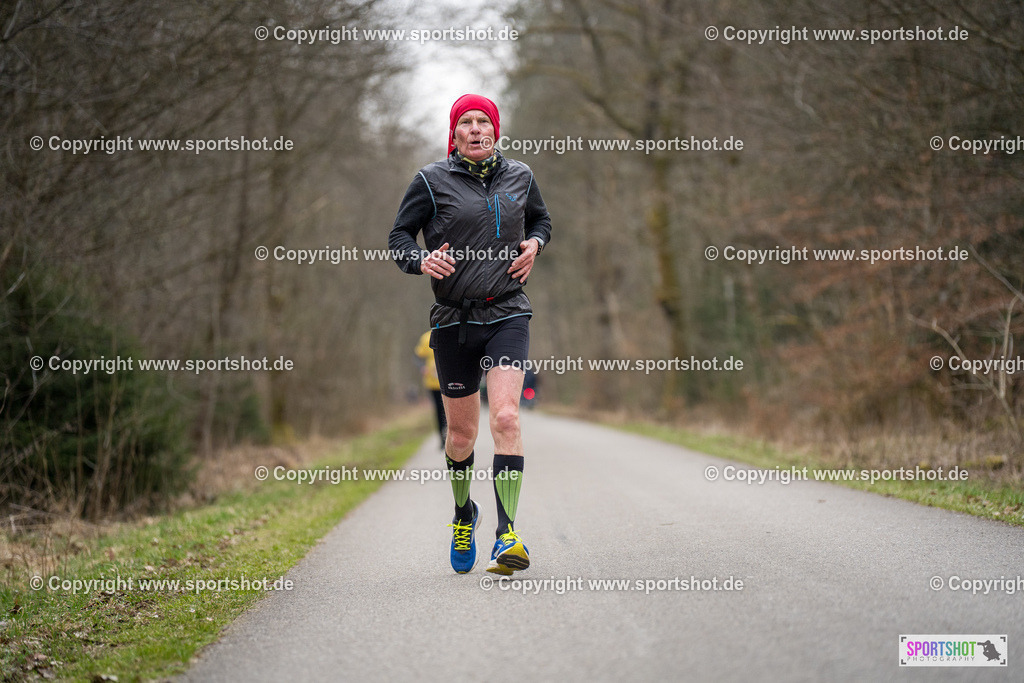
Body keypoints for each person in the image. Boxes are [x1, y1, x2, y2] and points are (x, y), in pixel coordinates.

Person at [389, 93, 551, 575]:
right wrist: (420, 260)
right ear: (455, 133)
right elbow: (399, 236)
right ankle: (464, 516)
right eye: (468, 122)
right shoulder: (431, 181)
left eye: (485, 122)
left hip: (507, 312)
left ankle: (507, 536)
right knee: (460, 437)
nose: (477, 129)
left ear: (495, 130)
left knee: (505, 417)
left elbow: (541, 219)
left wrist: (535, 244)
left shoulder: (521, 176)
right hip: (454, 322)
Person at [415, 330, 447, 449]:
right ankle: (442, 437)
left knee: (450, 409)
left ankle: (452, 434)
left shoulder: (449, 333)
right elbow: (417, 357)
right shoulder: (426, 337)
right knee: (439, 410)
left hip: (449, 380)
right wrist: (422, 367)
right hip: (432, 382)